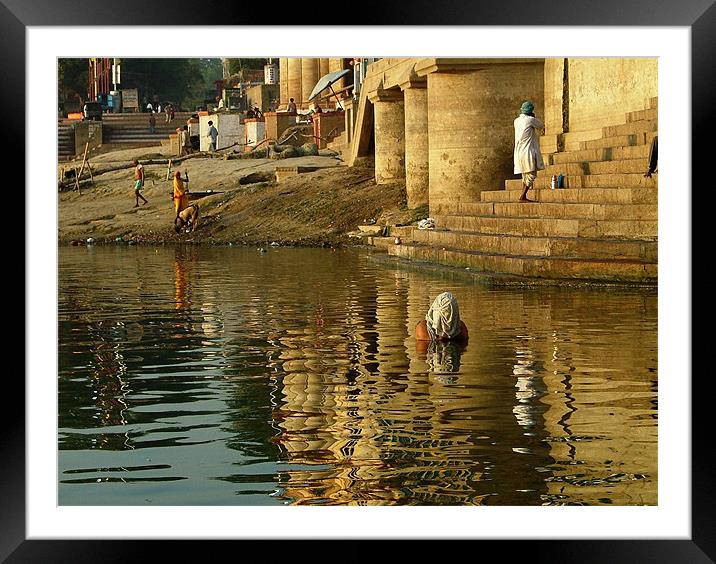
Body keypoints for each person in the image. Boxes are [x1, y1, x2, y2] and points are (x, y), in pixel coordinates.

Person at [513, 100, 545, 202]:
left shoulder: (516, 120)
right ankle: (522, 196)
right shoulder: (530, 120)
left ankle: (523, 196)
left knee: (525, 175)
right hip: (527, 151)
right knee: (531, 174)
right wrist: (533, 117)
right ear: (530, 111)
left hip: (519, 152)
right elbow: (541, 125)